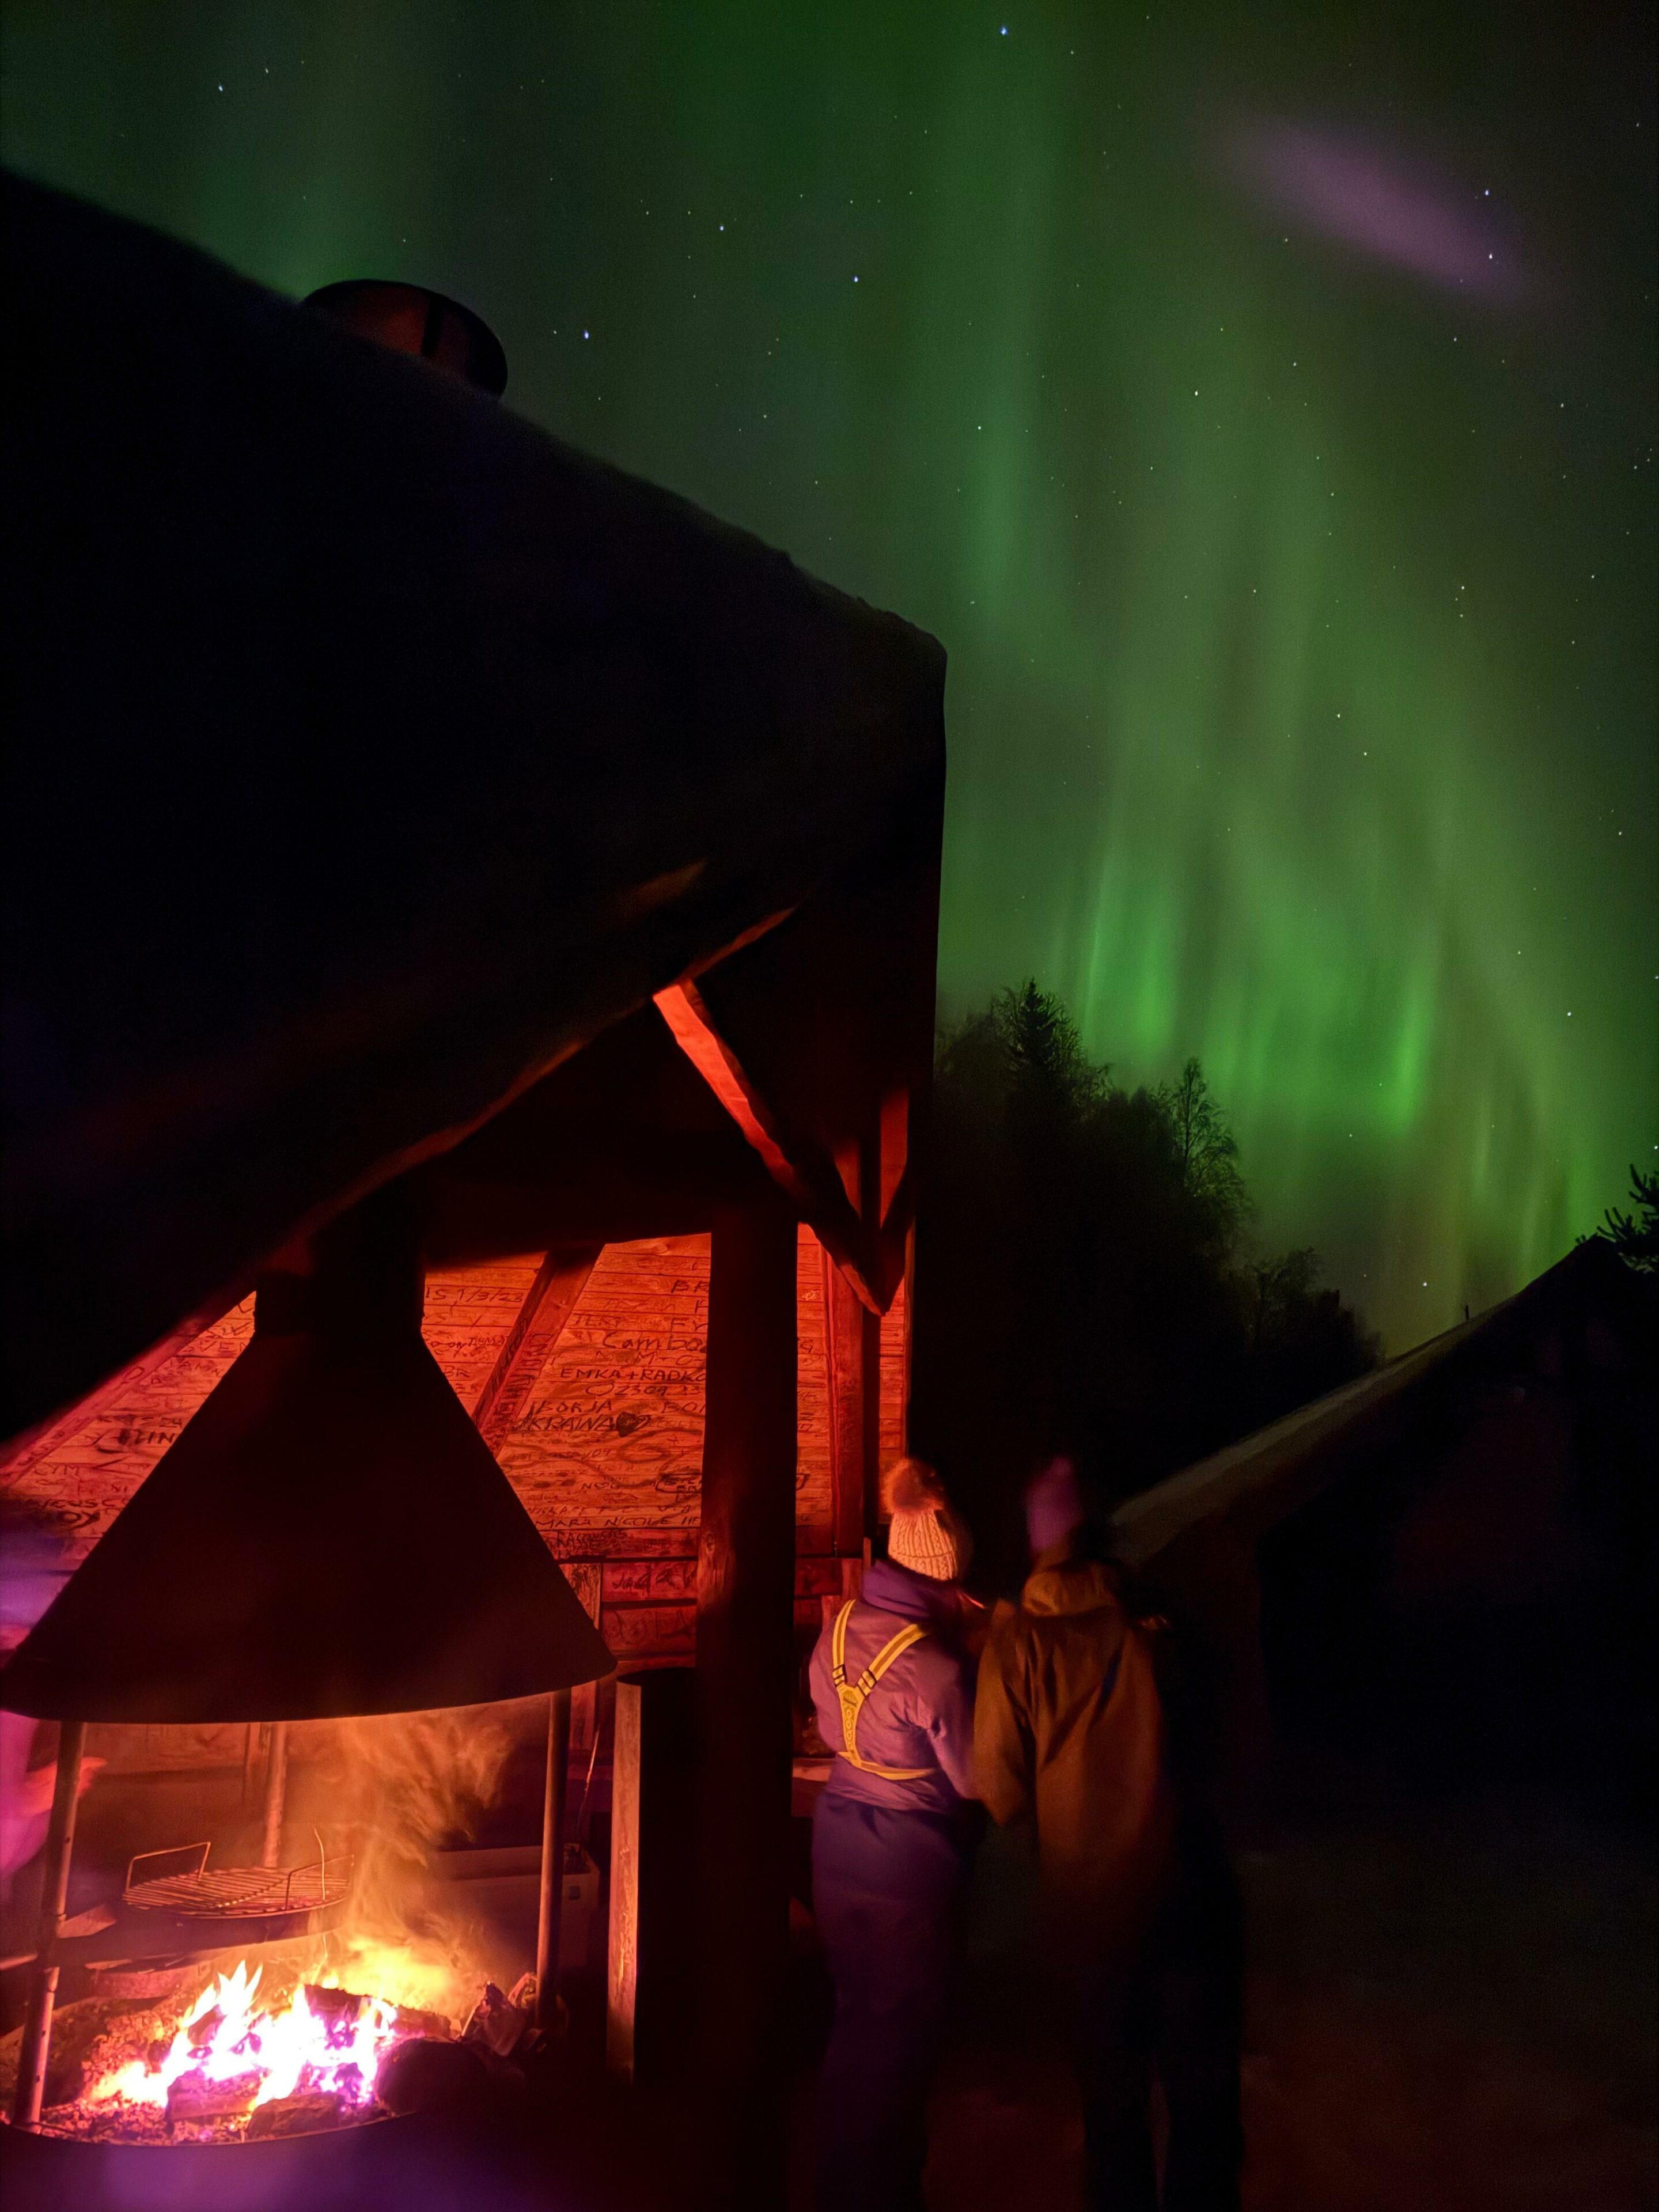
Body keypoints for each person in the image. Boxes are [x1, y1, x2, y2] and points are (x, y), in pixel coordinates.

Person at [975, 1456, 1243, 2212]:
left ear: (1039, 1545)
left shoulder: (1017, 1647)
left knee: (1113, 2112)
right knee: (1204, 2112)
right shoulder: (1167, 1627)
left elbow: (997, 1791)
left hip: (1090, 1916)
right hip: (1190, 1895)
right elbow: (1229, 1746)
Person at [808, 1458, 980, 2212]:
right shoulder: (937, 1668)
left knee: (854, 2023)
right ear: (943, 1578)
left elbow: (826, 1719)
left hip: (835, 1849)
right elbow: (976, 1780)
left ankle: (834, 2184)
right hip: (908, 1870)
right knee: (903, 2043)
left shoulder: (842, 1623)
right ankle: (884, 2196)